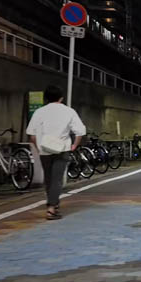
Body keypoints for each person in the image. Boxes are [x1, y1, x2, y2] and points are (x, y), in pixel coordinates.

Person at [26, 85, 86, 220]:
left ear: (46, 98)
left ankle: (53, 204)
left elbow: (32, 135)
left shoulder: (39, 112)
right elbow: (80, 132)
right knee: (57, 179)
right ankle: (51, 208)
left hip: (44, 149)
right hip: (62, 149)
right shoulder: (69, 111)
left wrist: (38, 148)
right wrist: (74, 145)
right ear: (61, 98)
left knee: (48, 179)